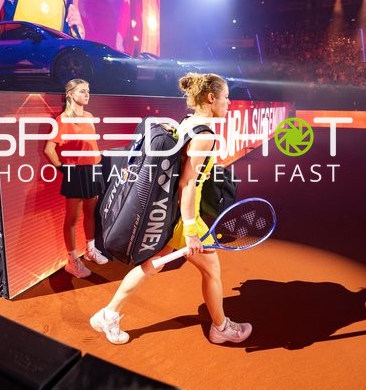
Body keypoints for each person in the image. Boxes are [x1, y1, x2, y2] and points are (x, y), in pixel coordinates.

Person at [89, 72, 253, 345]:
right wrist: (190, 230)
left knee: (152, 266)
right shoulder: (205, 135)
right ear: (210, 98)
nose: (229, 102)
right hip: (184, 216)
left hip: (172, 211)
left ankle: (109, 314)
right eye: (225, 97)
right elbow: (187, 183)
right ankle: (221, 327)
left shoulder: (189, 122)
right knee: (210, 270)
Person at [44, 79, 107, 278]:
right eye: (82, 91)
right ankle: (72, 262)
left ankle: (90, 251)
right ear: (70, 94)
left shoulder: (89, 116)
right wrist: (63, 168)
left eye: (88, 91)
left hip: (93, 169)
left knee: (91, 213)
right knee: (72, 219)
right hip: (76, 172)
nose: (87, 94)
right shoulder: (62, 120)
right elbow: (49, 149)